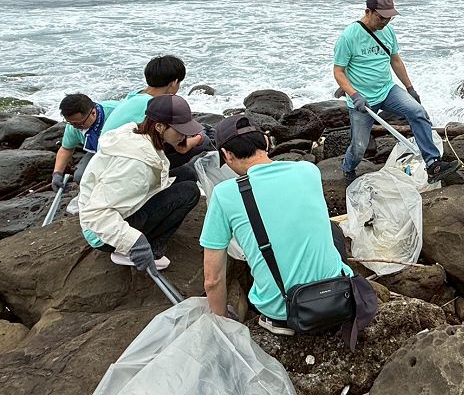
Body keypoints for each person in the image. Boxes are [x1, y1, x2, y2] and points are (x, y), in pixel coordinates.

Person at [200, 114, 352, 335]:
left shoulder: (225, 194)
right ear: (267, 142)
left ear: (227, 154)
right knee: (331, 229)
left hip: (282, 313)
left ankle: (276, 318)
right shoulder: (309, 170)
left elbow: (212, 279)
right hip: (337, 298)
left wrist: (221, 319)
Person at [333, 0, 459, 184]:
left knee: (417, 111)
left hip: (387, 90)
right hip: (362, 100)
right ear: (368, 11)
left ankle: (433, 163)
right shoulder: (349, 37)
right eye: (381, 17)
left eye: (389, 18)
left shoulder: (388, 31)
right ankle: (348, 168)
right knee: (359, 146)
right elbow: (339, 71)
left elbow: (396, 60)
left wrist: (410, 88)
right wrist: (353, 94)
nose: (386, 22)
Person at [78, 95, 202, 272]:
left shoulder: (139, 133)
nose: (184, 135)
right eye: (180, 130)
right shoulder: (134, 165)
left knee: (186, 174)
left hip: (114, 211)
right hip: (101, 234)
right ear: (159, 126)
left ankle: (144, 239)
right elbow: (95, 214)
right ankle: (146, 250)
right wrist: (134, 242)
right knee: (189, 192)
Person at [102, 54, 213, 167]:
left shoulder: (136, 95)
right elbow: (181, 148)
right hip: (118, 161)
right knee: (204, 142)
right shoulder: (153, 106)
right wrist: (199, 138)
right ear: (174, 83)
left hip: (106, 152)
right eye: (179, 83)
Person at [51, 93, 120, 190]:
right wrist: (57, 173)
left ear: (93, 113)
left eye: (79, 124)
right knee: (81, 176)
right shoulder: (73, 126)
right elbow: (66, 149)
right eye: (70, 123)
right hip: (97, 150)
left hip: (122, 148)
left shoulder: (116, 111)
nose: (75, 127)